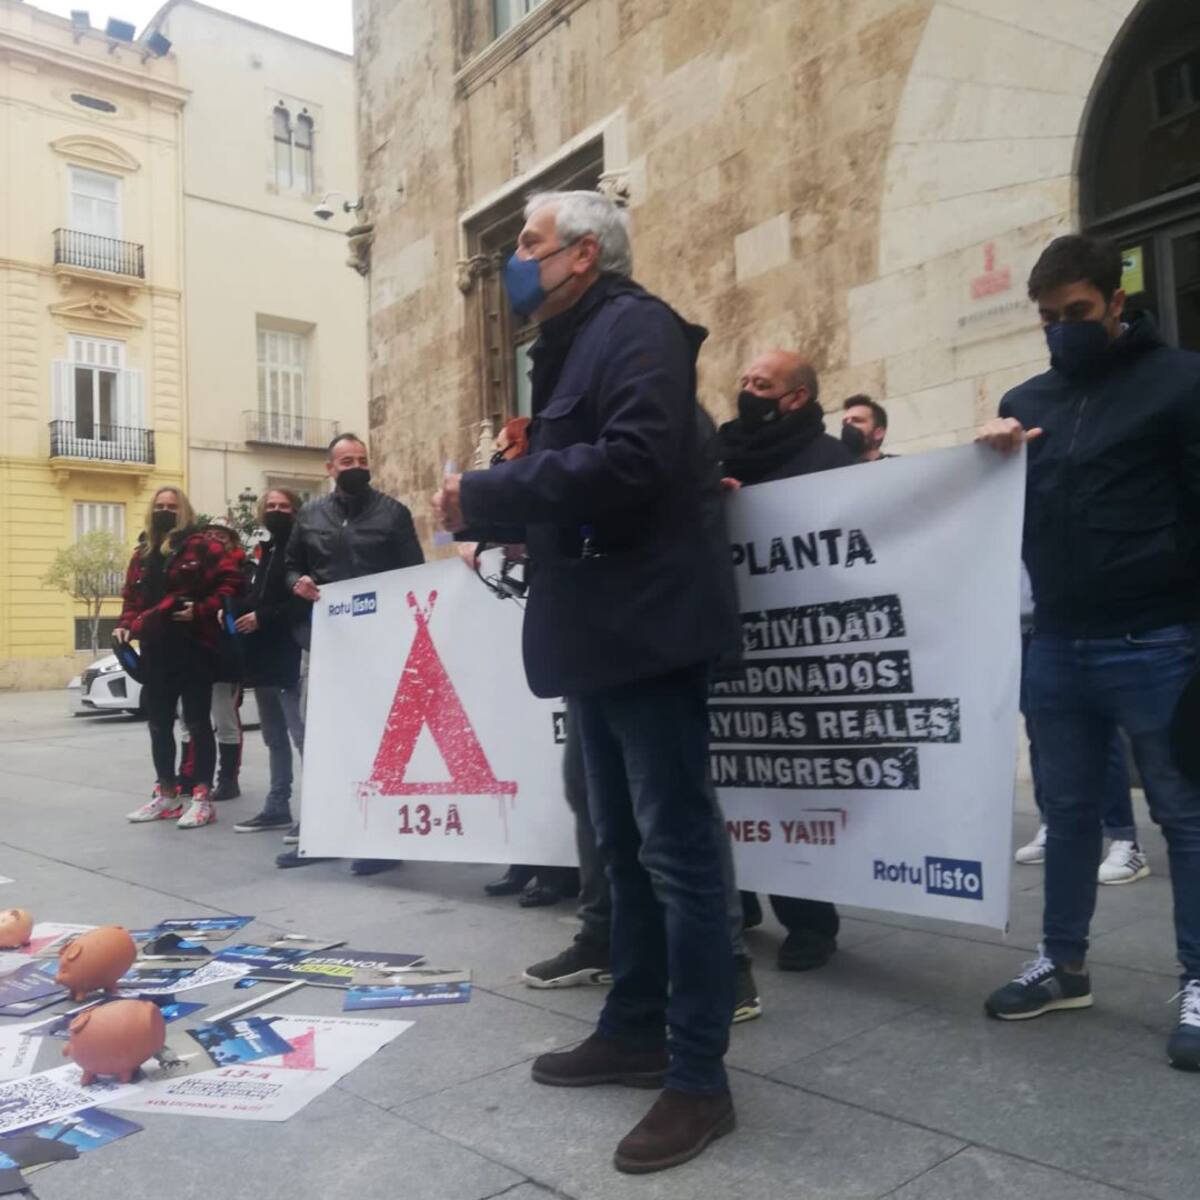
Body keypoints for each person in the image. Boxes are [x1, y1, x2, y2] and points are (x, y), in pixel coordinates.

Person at [434, 190, 741, 1173]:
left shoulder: (638, 327)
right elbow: (590, 475)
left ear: (582, 254)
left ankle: (698, 1077)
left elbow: (635, 461)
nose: (515, 263)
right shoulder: (576, 345)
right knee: (620, 842)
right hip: (600, 635)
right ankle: (634, 1024)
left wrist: (484, 495)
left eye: (527, 245)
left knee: (678, 850)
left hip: (647, 632)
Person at [976, 233, 1200, 1070]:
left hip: (1160, 637)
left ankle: (1199, 980)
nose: (1062, 329)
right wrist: (989, 463)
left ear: (1115, 302)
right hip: (1060, 641)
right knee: (1067, 815)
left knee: (1183, 817)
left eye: (1076, 313)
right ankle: (1063, 964)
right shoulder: (1026, 397)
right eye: (1047, 318)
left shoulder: (1179, 383)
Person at [715, 350, 856, 973]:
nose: (747, 391)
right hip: (727, 637)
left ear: (796, 397)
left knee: (790, 785)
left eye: (762, 384)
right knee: (729, 781)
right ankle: (737, 901)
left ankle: (809, 921)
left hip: (797, 649)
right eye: (744, 382)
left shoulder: (829, 459)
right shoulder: (718, 453)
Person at [279, 432, 425, 872]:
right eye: (346, 460)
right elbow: (290, 566)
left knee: (379, 746)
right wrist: (296, 584)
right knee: (326, 743)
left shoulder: (394, 514)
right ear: (330, 469)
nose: (356, 465)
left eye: (362, 458)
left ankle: (383, 843)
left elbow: (414, 575)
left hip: (380, 649)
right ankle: (326, 834)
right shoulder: (309, 516)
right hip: (328, 647)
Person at [119, 486, 245, 830]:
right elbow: (132, 597)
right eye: (160, 506)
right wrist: (125, 626)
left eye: (172, 506)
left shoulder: (204, 546)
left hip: (195, 647)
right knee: (158, 723)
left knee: (197, 723)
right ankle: (168, 795)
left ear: (184, 511)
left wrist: (201, 611)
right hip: (156, 651)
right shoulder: (142, 552)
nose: (165, 511)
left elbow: (233, 585)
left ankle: (202, 798)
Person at [1015, 568, 1148, 883]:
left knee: (1100, 733)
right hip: (1020, 624)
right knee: (1038, 730)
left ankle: (1124, 838)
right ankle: (1051, 825)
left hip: (1067, 618)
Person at [232, 488, 307, 833]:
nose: (277, 511)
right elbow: (260, 597)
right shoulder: (268, 550)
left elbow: (302, 602)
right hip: (264, 660)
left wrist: (262, 617)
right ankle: (278, 806)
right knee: (274, 737)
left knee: (300, 735)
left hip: (290, 656)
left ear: (296, 511)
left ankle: (318, 812)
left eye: (284, 506)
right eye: (271, 506)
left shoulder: (301, 548)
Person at [840, 395, 894, 462]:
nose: (848, 425)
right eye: (845, 423)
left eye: (857, 420)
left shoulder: (898, 465)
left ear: (878, 433)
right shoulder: (835, 469)